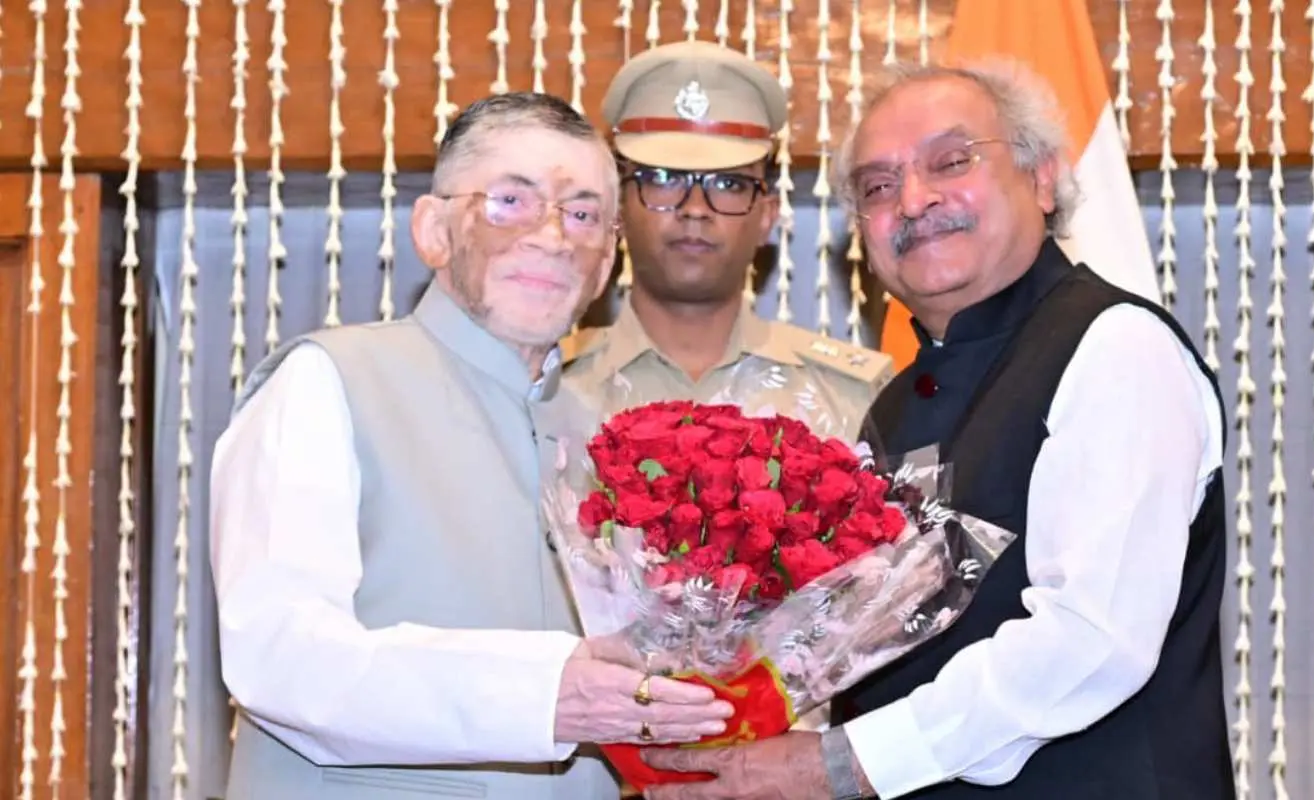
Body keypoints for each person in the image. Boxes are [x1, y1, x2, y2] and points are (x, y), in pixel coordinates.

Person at [638, 59, 1234, 799]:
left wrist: (837, 763)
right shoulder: (894, 408)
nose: (914, 200)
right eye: (879, 187)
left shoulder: (1115, 347)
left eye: (951, 162)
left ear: (1042, 179)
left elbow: (1092, 641)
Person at [208, 93, 735, 800]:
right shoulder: (328, 381)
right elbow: (281, 659)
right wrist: (543, 694)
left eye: (581, 215)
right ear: (433, 229)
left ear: (607, 262)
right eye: (511, 201)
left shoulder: (609, 443)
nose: (551, 236)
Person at [562, 40, 893, 444]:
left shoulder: (855, 399)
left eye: (728, 183)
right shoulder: (547, 393)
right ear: (618, 207)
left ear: (767, 216)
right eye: (664, 179)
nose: (696, 208)